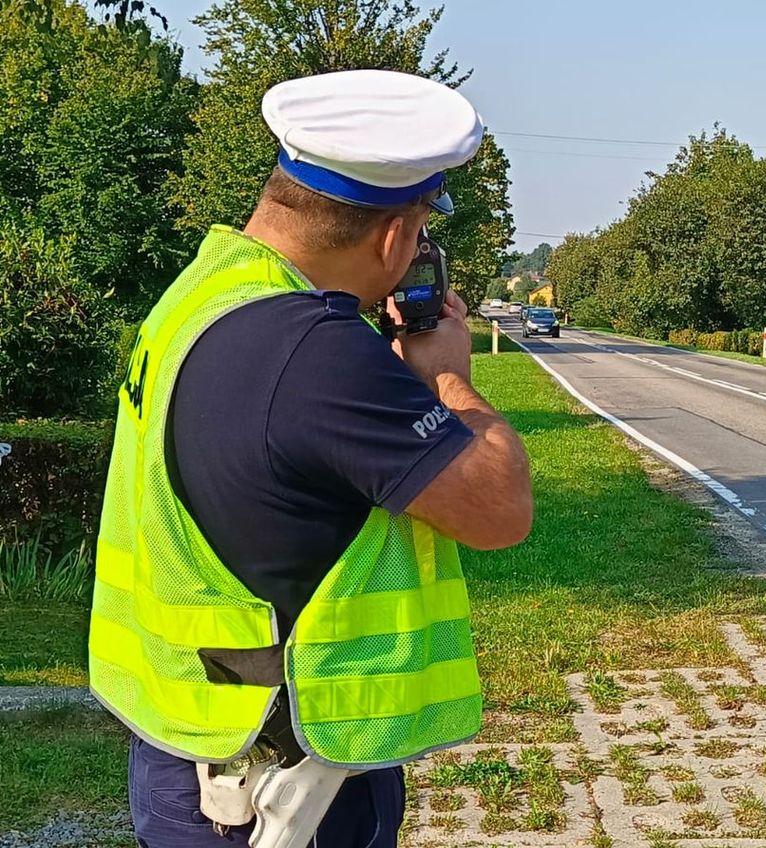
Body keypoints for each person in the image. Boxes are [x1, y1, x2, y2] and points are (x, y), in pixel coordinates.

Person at [88, 69, 533, 847]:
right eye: (422, 227)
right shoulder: (319, 355)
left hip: (187, 744)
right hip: (283, 789)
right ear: (396, 235)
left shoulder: (201, 293)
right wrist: (447, 375)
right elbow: (499, 509)